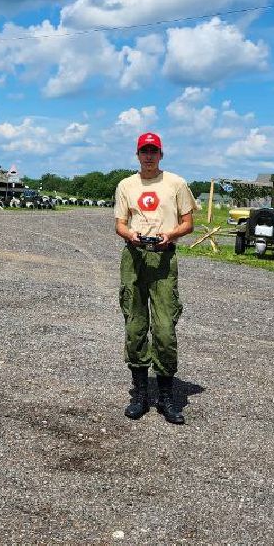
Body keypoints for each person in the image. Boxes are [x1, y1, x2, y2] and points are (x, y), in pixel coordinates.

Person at [113, 131, 195, 425]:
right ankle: (139, 394)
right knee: (135, 325)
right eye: (144, 151)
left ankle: (165, 396)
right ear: (137, 155)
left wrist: (169, 234)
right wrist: (131, 234)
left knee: (163, 328)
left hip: (163, 257)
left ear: (161, 154)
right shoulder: (126, 185)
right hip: (134, 257)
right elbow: (120, 224)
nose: (148, 156)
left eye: (153, 151)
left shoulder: (176, 183)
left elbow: (188, 223)